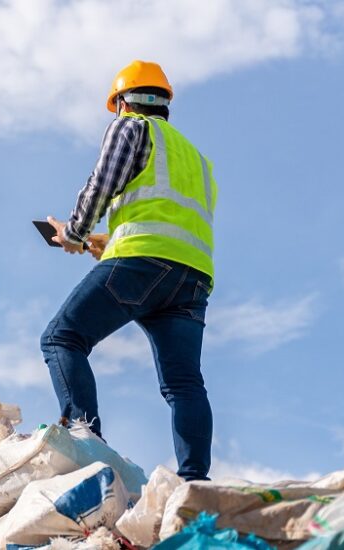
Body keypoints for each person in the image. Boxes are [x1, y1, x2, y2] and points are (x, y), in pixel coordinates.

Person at [41, 60, 217, 481]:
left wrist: (76, 234)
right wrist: (106, 244)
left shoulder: (130, 127)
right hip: (191, 276)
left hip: (142, 261)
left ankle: (86, 444)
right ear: (165, 105)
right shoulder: (198, 160)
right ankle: (195, 480)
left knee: (62, 337)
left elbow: (101, 184)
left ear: (122, 102)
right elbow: (166, 218)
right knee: (184, 384)